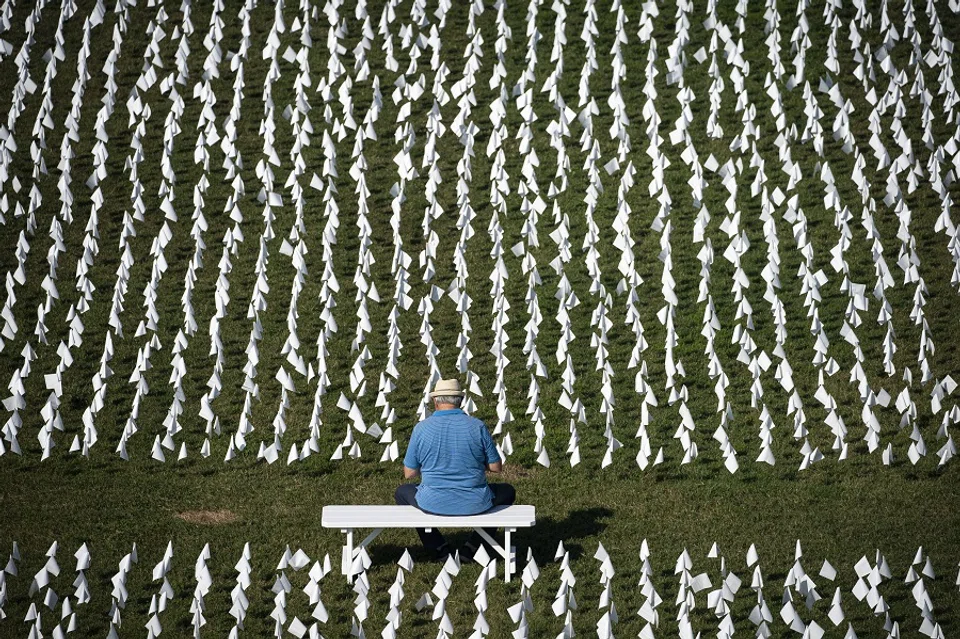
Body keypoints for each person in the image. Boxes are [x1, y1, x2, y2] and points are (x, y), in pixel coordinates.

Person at [395, 378, 516, 561]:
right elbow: (496, 467)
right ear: (461, 401)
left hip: (432, 501)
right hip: (476, 501)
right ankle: (473, 547)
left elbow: (409, 473)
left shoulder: (421, 429)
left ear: (435, 401)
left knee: (401, 492)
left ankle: (438, 547)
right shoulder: (477, 426)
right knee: (507, 491)